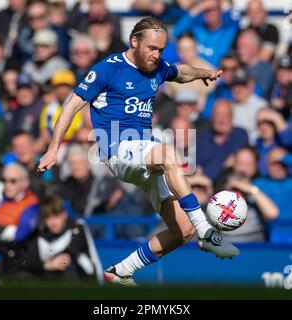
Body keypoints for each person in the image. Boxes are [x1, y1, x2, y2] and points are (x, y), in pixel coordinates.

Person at [38, 17, 239, 286]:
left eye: (161, 50)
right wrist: (54, 148)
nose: (156, 55)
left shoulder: (157, 67)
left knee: (183, 231)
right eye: (152, 48)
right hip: (117, 149)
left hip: (143, 154)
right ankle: (206, 229)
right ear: (135, 41)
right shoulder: (108, 69)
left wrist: (205, 73)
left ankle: (121, 271)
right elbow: (71, 105)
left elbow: (181, 72)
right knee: (168, 154)